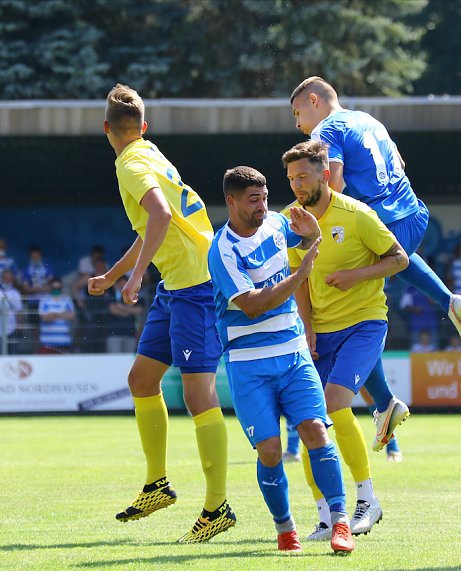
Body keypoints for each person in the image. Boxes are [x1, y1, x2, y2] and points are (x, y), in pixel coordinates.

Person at [87, 84, 232, 543]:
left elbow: (161, 215)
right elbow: (156, 221)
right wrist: (114, 275)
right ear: (143, 126)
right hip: (177, 285)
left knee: (198, 396)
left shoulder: (130, 162)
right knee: (142, 381)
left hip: (196, 285)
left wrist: (135, 277)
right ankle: (157, 485)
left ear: (106, 128)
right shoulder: (150, 153)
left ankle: (217, 508)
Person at [208, 165, 354, 554]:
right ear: (232, 201)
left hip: (293, 354)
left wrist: (313, 236)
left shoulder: (275, 223)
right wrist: (300, 273)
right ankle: (285, 528)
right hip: (248, 364)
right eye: (254, 200)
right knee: (270, 450)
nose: (262, 206)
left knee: (316, 432)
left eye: (265, 197)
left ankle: (341, 521)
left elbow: (306, 241)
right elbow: (254, 305)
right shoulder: (221, 250)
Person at [289, 76, 461, 349]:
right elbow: (400, 162)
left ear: (314, 100)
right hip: (413, 215)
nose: (298, 124)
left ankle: (382, 394)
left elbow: (331, 183)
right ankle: (449, 300)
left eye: (297, 113)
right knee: (396, 260)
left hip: (383, 221)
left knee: (338, 310)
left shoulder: (325, 129)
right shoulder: (369, 120)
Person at [282, 140, 410, 539]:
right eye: (290, 178)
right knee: (308, 419)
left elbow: (399, 259)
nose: (296, 185)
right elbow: (299, 278)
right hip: (321, 330)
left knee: (335, 402)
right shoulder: (292, 219)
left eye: (302, 176)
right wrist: (307, 325)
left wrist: (356, 275)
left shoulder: (358, 215)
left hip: (364, 323)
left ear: (323, 174)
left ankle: (368, 500)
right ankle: (324, 516)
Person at [0, 268, 24, 354]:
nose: (7, 280)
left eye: (9, 279)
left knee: (13, 353)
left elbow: (19, 311)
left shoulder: (16, 293)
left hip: (12, 328)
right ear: (1, 278)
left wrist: (19, 326)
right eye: (5, 278)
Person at [38, 278, 76, 354]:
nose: (56, 290)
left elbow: (72, 316)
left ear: (61, 288)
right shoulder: (44, 300)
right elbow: (44, 317)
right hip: (47, 343)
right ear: (50, 288)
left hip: (64, 342)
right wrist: (61, 314)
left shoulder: (66, 300)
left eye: (58, 288)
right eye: (54, 288)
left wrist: (53, 314)